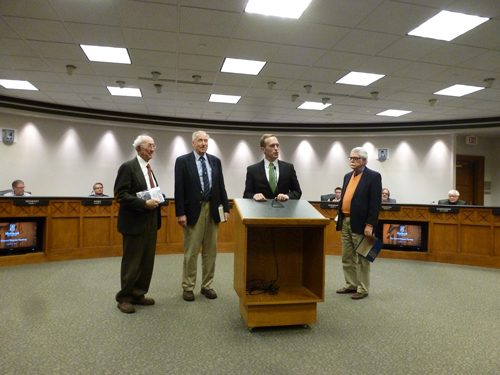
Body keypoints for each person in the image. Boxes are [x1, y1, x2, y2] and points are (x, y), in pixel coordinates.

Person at [175, 130, 230, 302]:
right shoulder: (183, 161)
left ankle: (207, 285)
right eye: (200, 140)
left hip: (213, 210)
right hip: (192, 212)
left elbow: (221, 186)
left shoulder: (215, 161)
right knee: (191, 251)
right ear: (193, 143)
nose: (203, 144)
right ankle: (188, 287)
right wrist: (180, 213)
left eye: (206, 141)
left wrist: (226, 208)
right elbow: (179, 189)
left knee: (210, 251)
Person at [113, 135, 162, 314]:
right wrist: (143, 204)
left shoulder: (149, 169)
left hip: (150, 220)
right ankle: (124, 298)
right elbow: (121, 194)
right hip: (134, 222)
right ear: (138, 148)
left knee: (146, 261)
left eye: (153, 145)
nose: (152, 149)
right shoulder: (128, 167)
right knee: (132, 261)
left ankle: (138, 294)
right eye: (149, 146)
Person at [336, 147, 382, 300]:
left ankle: (362, 289)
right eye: (351, 158)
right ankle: (351, 284)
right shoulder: (347, 176)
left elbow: (375, 204)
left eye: (356, 158)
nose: (352, 161)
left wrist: (370, 224)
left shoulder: (373, 176)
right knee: (347, 256)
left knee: (362, 257)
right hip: (345, 221)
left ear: (364, 160)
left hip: (362, 224)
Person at [243, 134, 302, 201]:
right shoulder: (253, 170)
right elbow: (247, 194)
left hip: (284, 209)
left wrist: (287, 196)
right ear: (263, 149)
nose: (276, 148)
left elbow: (297, 192)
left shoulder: (288, 168)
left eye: (277, 145)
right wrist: (255, 195)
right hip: (261, 209)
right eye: (272, 146)